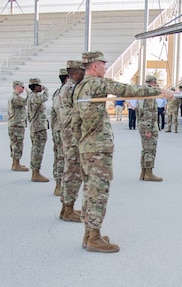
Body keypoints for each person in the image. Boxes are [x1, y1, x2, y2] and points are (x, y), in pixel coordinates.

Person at [71, 51, 173, 253]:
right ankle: (94, 237)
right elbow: (126, 90)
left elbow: (75, 123)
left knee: (90, 191)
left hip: (87, 147)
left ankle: (88, 234)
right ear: (94, 66)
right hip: (98, 150)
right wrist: (159, 91)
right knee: (99, 193)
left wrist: (82, 142)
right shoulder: (95, 84)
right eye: (103, 64)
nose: (106, 67)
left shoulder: (79, 88)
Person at [57, 60, 86, 223]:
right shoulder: (72, 88)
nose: (85, 75)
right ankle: (68, 209)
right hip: (73, 135)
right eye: (83, 72)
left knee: (70, 170)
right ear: (76, 73)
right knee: (74, 172)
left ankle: (66, 207)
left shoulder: (65, 87)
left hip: (68, 134)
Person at [137, 75, 163, 181]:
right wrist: (148, 129)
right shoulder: (149, 94)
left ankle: (143, 172)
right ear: (152, 83)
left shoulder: (142, 93)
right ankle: (148, 173)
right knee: (150, 149)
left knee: (145, 149)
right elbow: (148, 112)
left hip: (142, 124)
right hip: (149, 125)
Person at [27, 78, 49, 182]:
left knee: (36, 150)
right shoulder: (34, 97)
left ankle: (35, 172)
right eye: (39, 86)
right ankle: (36, 173)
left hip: (36, 127)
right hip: (38, 128)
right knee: (38, 151)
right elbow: (45, 97)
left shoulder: (32, 96)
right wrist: (46, 90)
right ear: (35, 87)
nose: (41, 87)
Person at [51, 68, 69, 196]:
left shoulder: (57, 92)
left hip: (57, 129)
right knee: (63, 158)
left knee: (58, 157)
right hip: (63, 130)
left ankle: (58, 184)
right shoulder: (65, 93)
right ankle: (60, 185)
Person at [8, 80, 29, 172]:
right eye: (22, 86)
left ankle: (15, 163)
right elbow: (26, 102)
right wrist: (29, 93)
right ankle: (16, 164)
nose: (23, 88)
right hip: (17, 125)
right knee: (17, 144)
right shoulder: (15, 98)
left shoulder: (14, 97)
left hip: (15, 124)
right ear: (17, 87)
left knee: (15, 144)